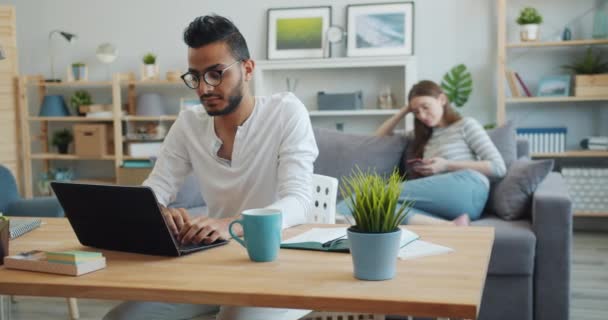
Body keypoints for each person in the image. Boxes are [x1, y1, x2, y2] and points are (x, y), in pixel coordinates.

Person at [103, 15, 318, 320]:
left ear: (247, 69)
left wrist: (230, 224)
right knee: (122, 318)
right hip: (216, 261)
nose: (204, 88)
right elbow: (155, 189)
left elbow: (300, 201)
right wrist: (159, 213)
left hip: (280, 263)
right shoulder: (189, 123)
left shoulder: (287, 112)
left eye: (216, 74)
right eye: (196, 76)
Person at [339, 80, 506, 226]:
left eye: (425, 107)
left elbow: (498, 168)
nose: (422, 115)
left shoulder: (466, 125)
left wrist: (446, 165)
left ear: (442, 99)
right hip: (452, 205)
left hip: (469, 187)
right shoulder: (421, 136)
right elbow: (378, 138)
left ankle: (330, 216)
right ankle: (450, 227)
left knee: (370, 195)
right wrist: (405, 110)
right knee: (379, 206)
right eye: (416, 112)